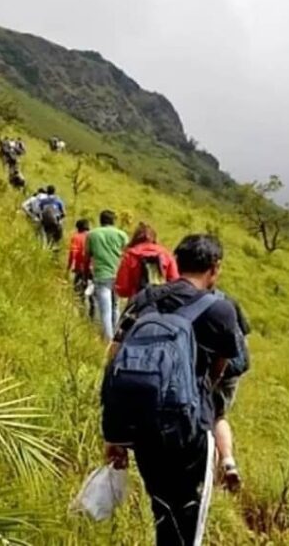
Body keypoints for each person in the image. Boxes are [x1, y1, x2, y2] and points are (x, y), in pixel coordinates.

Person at [102, 234, 242, 546]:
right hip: (191, 426)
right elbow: (223, 366)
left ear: (176, 262)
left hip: (141, 422)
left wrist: (114, 435)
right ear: (214, 268)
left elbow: (114, 356)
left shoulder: (145, 298)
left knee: (162, 506)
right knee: (188, 514)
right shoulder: (221, 310)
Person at [211, 296, 252, 492]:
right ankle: (228, 462)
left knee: (205, 420)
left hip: (212, 367)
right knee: (219, 416)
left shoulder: (192, 300)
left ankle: (211, 479)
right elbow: (245, 335)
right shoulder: (228, 300)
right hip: (234, 369)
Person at [85, 210, 129, 339]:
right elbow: (127, 255)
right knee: (116, 306)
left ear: (101, 220)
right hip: (118, 274)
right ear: (113, 221)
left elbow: (87, 256)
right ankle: (116, 336)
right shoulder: (122, 234)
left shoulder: (92, 234)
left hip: (101, 275)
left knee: (105, 310)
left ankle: (108, 340)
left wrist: (85, 273)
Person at [115, 222, 180, 300]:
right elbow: (175, 281)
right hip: (162, 300)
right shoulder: (166, 254)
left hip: (138, 300)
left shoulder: (130, 255)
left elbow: (122, 288)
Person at [67, 219, 95, 318]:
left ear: (78, 228)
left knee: (78, 292)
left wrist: (69, 267)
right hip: (93, 269)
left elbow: (73, 253)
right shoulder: (93, 236)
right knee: (92, 292)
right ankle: (92, 314)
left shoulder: (76, 237)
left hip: (81, 269)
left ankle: (81, 314)